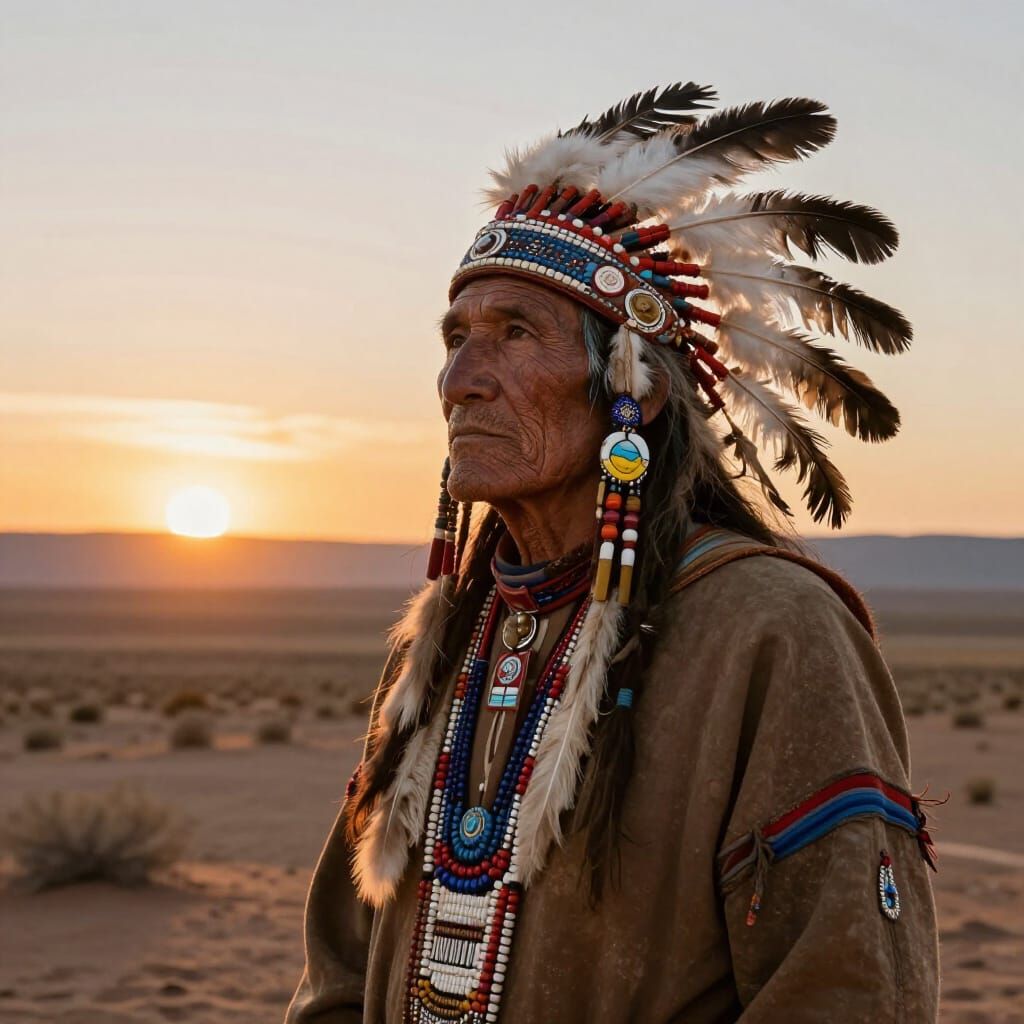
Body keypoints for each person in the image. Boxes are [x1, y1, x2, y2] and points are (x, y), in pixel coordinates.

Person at [287, 82, 940, 1023]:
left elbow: (842, 985)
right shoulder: (442, 642)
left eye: (517, 335)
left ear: (635, 390)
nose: (461, 382)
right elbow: (340, 972)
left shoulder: (771, 630)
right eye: (455, 339)